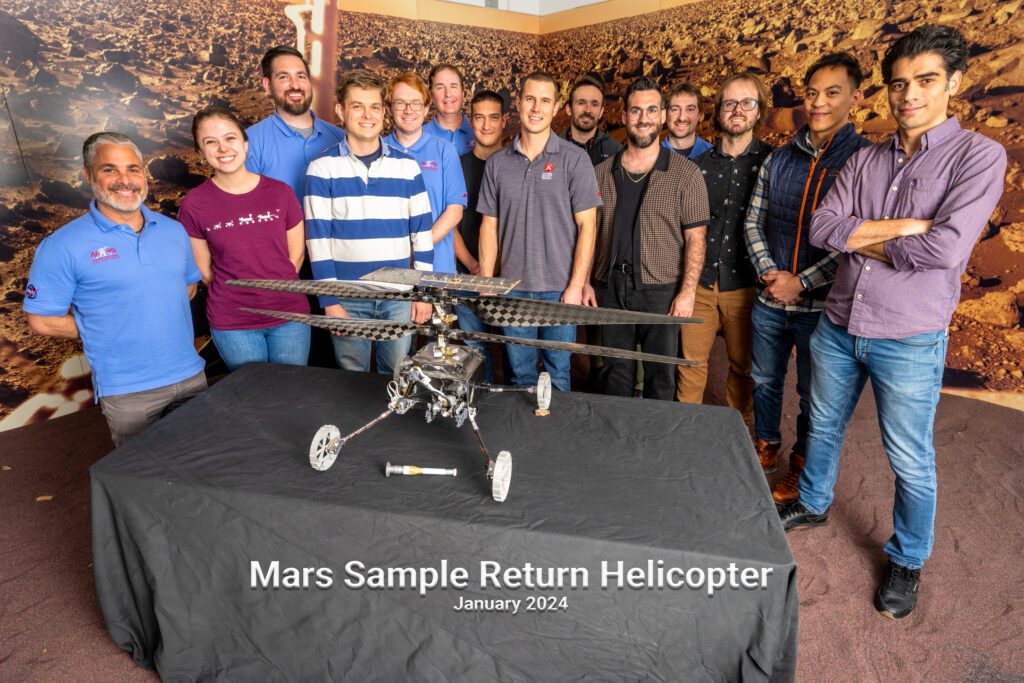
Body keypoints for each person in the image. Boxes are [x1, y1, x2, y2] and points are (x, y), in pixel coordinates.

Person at [777, 25, 1007, 620]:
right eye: (900, 83)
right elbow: (824, 229)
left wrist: (870, 236)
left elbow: (946, 250)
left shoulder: (980, 156)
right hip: (839, 322)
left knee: (907, 454)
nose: (909, 95)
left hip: (907, 336)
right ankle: (813, 501)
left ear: (953, 83)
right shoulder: (868, 156)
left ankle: (907, 559)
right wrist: (905, 228)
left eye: (925, 81)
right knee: (821, 424)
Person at [742, 52, 871, 499]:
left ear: (854, 98)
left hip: (824, 308)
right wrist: (771, 273)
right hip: (770, 298)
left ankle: (802, 461)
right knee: (765, 378)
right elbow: (753, 221)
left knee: (814, 393)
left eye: (832, 93)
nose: (819, 102)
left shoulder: (866, 161)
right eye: (813, 93)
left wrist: (802, 282)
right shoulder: (779, 159)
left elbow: (857, 239)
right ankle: (766, 445)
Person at [22, 132, 206, 446]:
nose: (125, 180)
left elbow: (187, 286)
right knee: (143, 478)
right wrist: (103, 325)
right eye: (110, 169)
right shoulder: (62, 246)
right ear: (87, 175)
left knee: (205, 463)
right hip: (128, 391)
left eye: (133, 169)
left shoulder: (174, 231)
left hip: (191, 375)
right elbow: (42, 320)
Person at [478, 72, 602, 392]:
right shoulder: (497, 164)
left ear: (557, 107)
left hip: (559, 291)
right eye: (530, 99)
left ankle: (557, 441)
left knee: (558, 375)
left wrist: (576, 285)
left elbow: (588, 225)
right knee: (520, 377)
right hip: (513, 290)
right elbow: (489, 226)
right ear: (518, 103)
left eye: (545, 100)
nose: (536, 107)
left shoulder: (576, 160)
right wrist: (488, 283)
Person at [303, 69, 433, 375]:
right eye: (357, 106)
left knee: (398, 377)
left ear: (383, 112)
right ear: (340, 110)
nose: (367, 115)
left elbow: (422, 235)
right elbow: (318, 241)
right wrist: (330, 300)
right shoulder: (321, 168)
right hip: (348, 299)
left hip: (399, 298)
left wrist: (423, 293)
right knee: (351, 381)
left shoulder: (408, 167)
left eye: (374, 107)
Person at [591, 77, 708, 400]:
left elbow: (696, 239)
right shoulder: (601, 173)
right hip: (612, 288)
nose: (644, 118)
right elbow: (588, 233)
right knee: (615, 372)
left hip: (661, 291)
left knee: (661, 374)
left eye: (651, 110)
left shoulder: (687, 174)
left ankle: (658, 444)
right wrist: (587, 281)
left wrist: (687, 293)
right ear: (625, 116)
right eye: (636, 111)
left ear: (662, 116)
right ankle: (619, 439)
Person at [178, 106, 310, 371]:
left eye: (230, 138)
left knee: (293, 393)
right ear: (201, 153)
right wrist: (242, 294)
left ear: (245, 143)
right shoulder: (194, 204)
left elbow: (296, 256)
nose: (223, 149)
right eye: (210, 142)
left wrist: (270, 291)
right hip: (233, 321)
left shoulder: (280, 193)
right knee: (253, 399)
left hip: (289, 314)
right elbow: (204, 271)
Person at [676, 72, 774, 424]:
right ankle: (685, 436)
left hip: (746, 286)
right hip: (700, 285)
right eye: (730, 103)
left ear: (759, 110)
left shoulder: (773, 164)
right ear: (717, 111)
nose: (737, 110)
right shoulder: (695, 168)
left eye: (747, 102)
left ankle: (737, 438)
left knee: (744, 369)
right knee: (689, 366)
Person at [383, 72, 466, 274]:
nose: (408, 110)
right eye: (400, 103)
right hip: (387, 266)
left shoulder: (445, 150)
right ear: (388, 108)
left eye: (416, 103)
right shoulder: (378, 150)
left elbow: (454, 211)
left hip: (437, 267)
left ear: (426, 108)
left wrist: (417, 251)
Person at [454, 89, 510, 383]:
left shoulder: (516, 164)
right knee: (475, 354)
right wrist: (473, 265)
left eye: (493, 117)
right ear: (470, 121)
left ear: (505, 121)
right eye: (478, 117)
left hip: (509, 276)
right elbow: (450, 222)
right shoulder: (457, 166)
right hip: (466, 275)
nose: (486, 125)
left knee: (514, 352)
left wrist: (497, 268)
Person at [245, 46, 347, 201]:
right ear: (268, 85)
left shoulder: (341, 138)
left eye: (301, 76)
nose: (295, 85)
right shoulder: (249, 142)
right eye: (283, 77)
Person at [561, 74, 622, 166]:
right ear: (569, 109)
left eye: (594, 104)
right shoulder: (548, 152)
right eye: (581, 103)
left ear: (601, 112)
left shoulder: (616, 153)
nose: (588, 110)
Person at [425, 63, 475, 156]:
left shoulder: (480, 133)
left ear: (463, 94)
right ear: (431, 96)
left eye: (453, 86)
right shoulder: (418, 138)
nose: (448, 94)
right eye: (440, 87)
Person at [662, 82, 713, 159]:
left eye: (690, 109)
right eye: (675, 109)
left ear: (699, 115)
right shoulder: (649, 159)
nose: (682, 118)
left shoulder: (715, 157)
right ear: (665, 114)